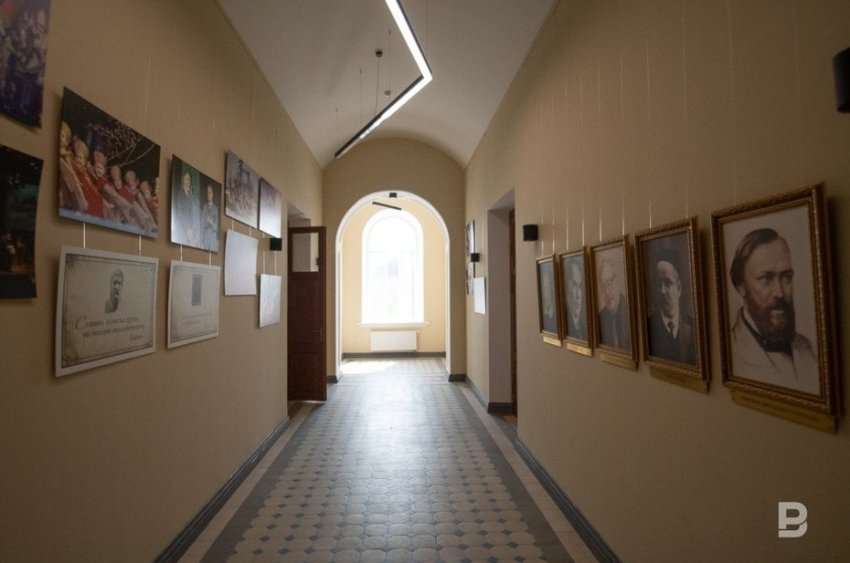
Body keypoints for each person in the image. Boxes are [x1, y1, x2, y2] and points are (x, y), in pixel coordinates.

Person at [728, 228, 819, 394]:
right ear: (741, 286)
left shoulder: (809, 349)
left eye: (786, 277)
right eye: (765, 278)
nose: (779, 292)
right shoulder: (731, 350)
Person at [646, 248, 695, 364]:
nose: (663, 291)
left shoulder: (694, 328)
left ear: (679, 288)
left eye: (668, 283)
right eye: (659, 284)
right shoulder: (648, 327)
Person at [597, 257, 630, 350]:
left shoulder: (630, 310)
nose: (607, 292)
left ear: (617, 280)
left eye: (609, 283)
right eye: (603, 287)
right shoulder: (600, 319)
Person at [565, 258, 588, 340]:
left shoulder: (584, 327)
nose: (578, 296)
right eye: (574, 285)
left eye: (580, 286)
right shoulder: (565, 325)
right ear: (566, 289)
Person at [200, 183, 219, 251]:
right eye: (207, 192)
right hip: (205, 241)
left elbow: (216, 228)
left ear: (212, 194)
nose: (208, 194)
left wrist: (210, 222)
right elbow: (202, 224)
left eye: (210, 192)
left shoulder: (216, 209)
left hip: (213, 241)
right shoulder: (204, 207)